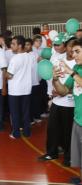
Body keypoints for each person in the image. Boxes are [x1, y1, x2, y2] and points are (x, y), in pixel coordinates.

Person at [38, 37, 76, 167]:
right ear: (66, 47)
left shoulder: (76, 65)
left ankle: (69, 157)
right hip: (57, 101)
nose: (72, 49)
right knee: (52, 129)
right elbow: (52, 80)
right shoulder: (60, 61)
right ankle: (52, 152)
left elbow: (72, 87)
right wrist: (51, 94)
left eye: (75, 48)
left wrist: (62, 91)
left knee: (68, 133)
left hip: (70, 104)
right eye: (71, 46)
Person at [52, 38, 82, 184]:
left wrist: (70, 72)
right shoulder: (77, 69)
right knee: (80, 154)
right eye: (73, 51)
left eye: (77, 51)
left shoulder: (74, 71)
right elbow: (64, 91)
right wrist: (55, 80)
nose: (73, 54)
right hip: (78, 120)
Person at [6, 35, 33, 138]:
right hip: (26, 89)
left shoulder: (15, 59)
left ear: (20, 45)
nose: (11, 46)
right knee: (26, 113)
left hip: (15, 91)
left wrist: (4, 73)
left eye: (13, 44)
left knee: (15, 113)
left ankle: (16, 133)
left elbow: (9, 75)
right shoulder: (29, 56)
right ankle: (27, 132)